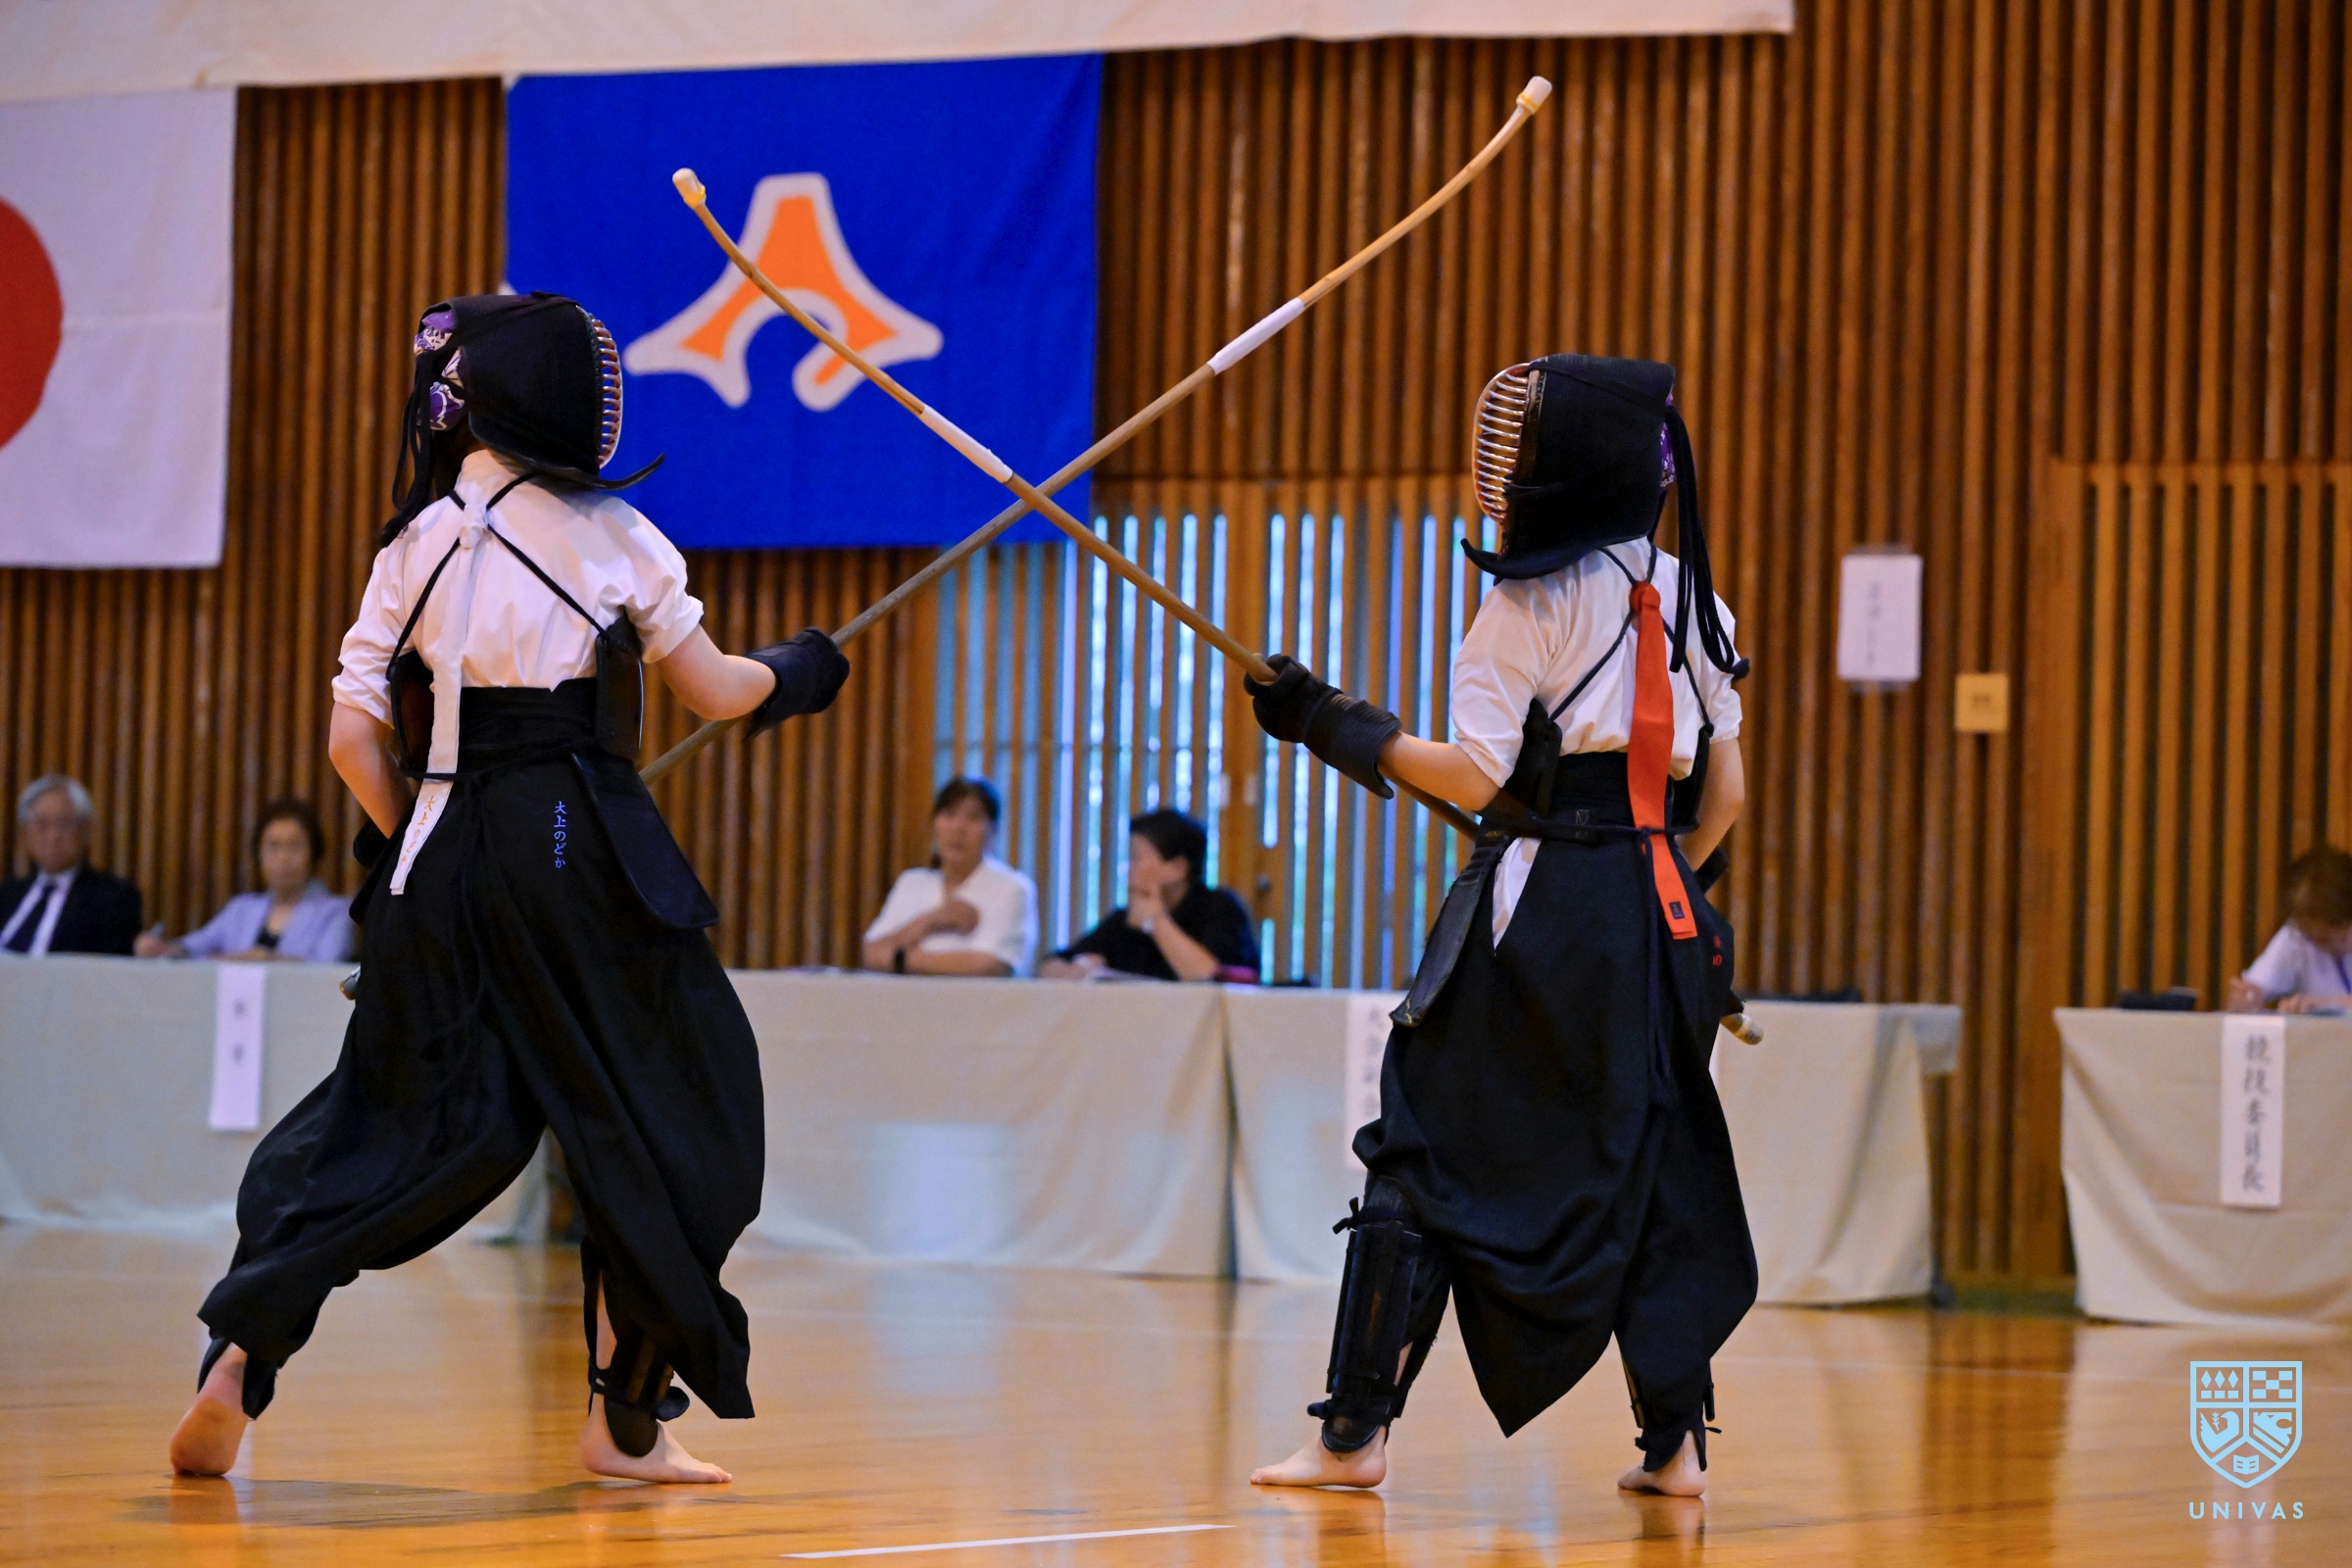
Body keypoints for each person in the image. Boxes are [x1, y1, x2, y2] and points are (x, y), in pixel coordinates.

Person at [167, 292, 849, 1485]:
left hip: (436, 853)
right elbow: (716, 689)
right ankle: (624, 1420)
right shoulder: (614, 532)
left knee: (380, 1124)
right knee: (677, 1112)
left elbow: (351, 741)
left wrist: (429, 843)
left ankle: (239, 1355)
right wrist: (803, 668)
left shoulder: (411, 545)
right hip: (578, 852)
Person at [1244, 355, 1753, 1498]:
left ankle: (1351, 1436)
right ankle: (1677, 1447)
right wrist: (1652, 883)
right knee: (1648, 1156)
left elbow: (1477, 777)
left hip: (1545, 903)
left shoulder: (1530, 599)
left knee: (1419, 1143)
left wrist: (1334, 722)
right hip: (1668, 910)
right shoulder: (1701, 600)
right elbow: (1721, 798)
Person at [1040, 808, 1258, 983]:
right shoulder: (1126, 918)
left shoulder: (1220, 908)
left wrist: (1156, 921)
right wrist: (1075, 970)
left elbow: (1208, 977)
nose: (1128, 869)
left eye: (1136, 858)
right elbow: (1049, 964)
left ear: (1177, 869)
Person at [135, 799, 356, 964]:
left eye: (294, 846)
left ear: (314, 853)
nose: (283, 858)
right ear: (258, 854)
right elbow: (192, 947)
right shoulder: (241, 908)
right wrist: (162, 948)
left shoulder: (337, 912)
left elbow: (327, 967)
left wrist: (268, 960)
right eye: (273, 846)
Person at [861, 777, 1038, 977]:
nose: (958, 828)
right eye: (949, 814)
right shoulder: (911, 882)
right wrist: (930, 921)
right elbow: (871, 953)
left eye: (973, 818)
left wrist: (900, 960)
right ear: (934, 824)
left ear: (993, 831)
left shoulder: (1012, 887)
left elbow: (991, 965)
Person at [1, 775, 143, 956]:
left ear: (85, 831)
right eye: (42, 824)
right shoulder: (7, 894)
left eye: (64, 824)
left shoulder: (113, 898)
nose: (53, 836)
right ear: (25, 833)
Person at [2227, 846, 2352, 1013]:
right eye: (2312, 935)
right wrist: (2246, 999)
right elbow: (2255, 988)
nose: (2321, 944)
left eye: (2337, 937)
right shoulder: (2297, 936)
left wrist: (2330, 1003)